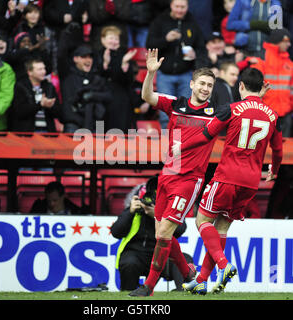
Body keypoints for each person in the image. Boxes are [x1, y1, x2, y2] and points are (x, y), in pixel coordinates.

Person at [178, 67, 283, 294]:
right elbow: (278, 149)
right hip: (251, 182)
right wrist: (273, 169)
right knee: (222, 227)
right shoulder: (273, 115)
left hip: (227, 177)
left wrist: (181, 147)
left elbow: (206, 134)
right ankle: (202, 280)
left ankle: (224, 266)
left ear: (241, 86)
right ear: (261, 87)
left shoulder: (232, 109)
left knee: (202, 221)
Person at [129, 49, 218, 297]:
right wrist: (150, 73)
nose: (205, 88)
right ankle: (190, 275)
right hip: (167, 177)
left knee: (165, 233)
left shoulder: (215, 115)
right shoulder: (176, 104)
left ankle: (148, 286)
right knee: (161, 233)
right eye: (202, 83)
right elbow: (147, 96)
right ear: (192, 84)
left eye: (210, 85)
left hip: (189, 181)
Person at [111, 176, 193, 291]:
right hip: (136, 254)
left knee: (186, 258)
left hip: (163, 254)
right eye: (148, 198)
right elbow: (116, 232)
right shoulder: (133, 210)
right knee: (129, 262)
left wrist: (157, 215)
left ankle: (183, 292)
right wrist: (130, 212)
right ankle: (128, 292)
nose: (151, 202)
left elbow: (180, 229)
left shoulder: (168, 212)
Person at [146, 0, 206, 129]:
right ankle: (165, 145)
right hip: (164, 74)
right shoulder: (160, 21)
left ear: (187, 7)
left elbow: (201, 48)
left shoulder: (192, 23)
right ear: (171, 6)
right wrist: (166, 40)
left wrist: (195, 56)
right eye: (177, 6)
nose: (179, 10)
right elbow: (149, 44)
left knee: (185, 113)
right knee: (164, 114)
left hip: (186, 74)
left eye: (182, 7)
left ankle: (180, 146)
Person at [251, 28, 293, 137]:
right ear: (278, 41)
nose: (289, 44)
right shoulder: (262, 58)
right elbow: (253, 85)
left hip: (285, 114)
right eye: (286, 41)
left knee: (285, 150)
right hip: (265, 113)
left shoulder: (289, 62)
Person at [60, 44, 112, 133]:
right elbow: (68, 105)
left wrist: (92, 96)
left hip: (97, 124)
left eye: (90, 57)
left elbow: (109, 96)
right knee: (71, 147)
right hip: (74, 124)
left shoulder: (97, 78)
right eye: (83, 57)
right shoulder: (69, 79)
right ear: (75, 59)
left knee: (98, 147)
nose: (88, 60)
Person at [8, 59, 60, 132]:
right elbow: (19, 111)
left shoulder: (49, 87)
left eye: (44, 68)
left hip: (47, 132)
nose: (43, 72)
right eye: (39, 69)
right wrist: (40, 105)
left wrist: (50, 106)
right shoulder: (21, 86)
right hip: (27, 133)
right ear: (30, 72)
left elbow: (58, 111)